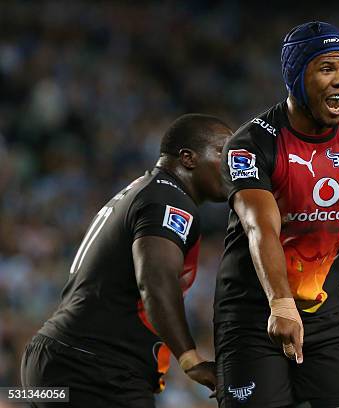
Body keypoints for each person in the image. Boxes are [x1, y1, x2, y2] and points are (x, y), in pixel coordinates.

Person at [214, 21, 339, 408]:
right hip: (254, 315)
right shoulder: (252, 144)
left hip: (325, 313)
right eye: (327, 69)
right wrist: (281, 304)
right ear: (294, 75)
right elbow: (261, 229)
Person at [21, 114, 232, 407]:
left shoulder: (142, 191)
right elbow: (155, 280)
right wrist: (190, 358)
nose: (233, 164)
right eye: (224, 152)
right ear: (188, 158)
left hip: (61, 361)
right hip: (95, 369)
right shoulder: (169, 200)